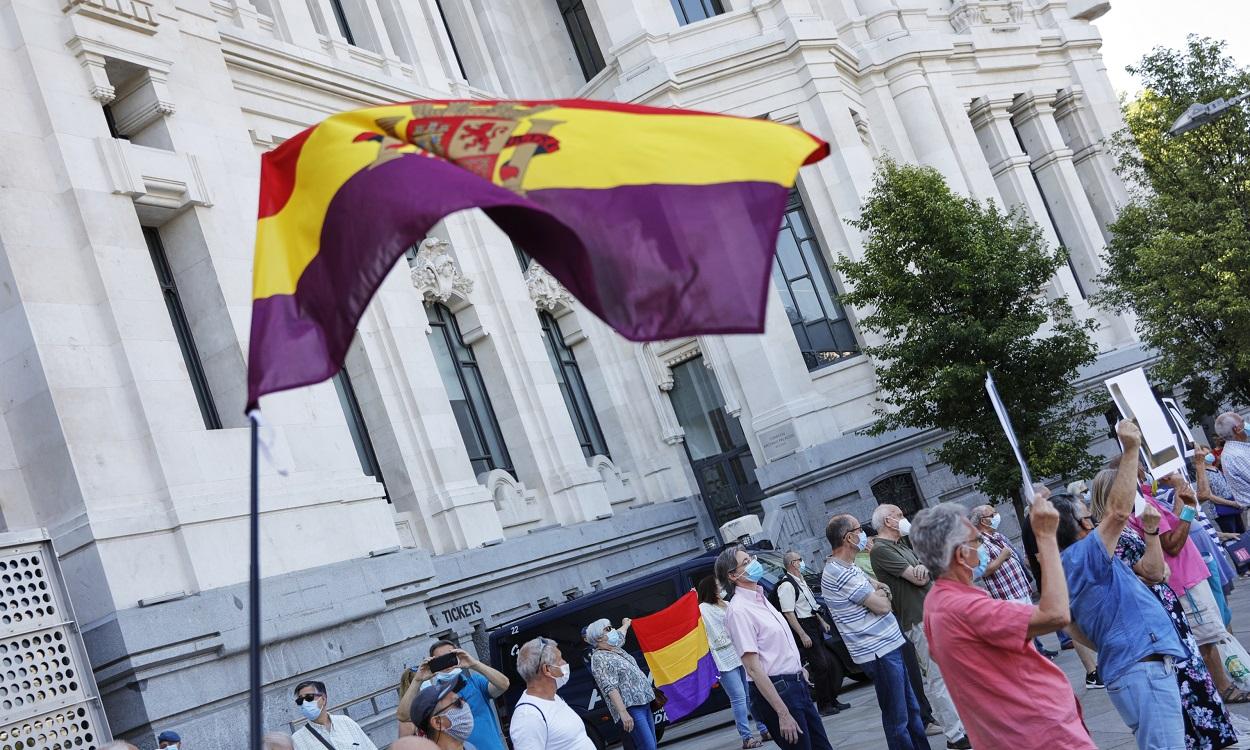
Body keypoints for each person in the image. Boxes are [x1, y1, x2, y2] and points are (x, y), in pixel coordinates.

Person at [913, 493, 1095, 749]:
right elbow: (1056, 614)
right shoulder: (965, 607)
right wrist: (1045, 538)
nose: (982, 548)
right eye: (976, 541)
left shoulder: (935, 603)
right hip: (1037, 735)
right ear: (961, 555)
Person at [1049, 420, 1188, 749]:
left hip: (1134, 665)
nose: (1092, 519)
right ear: (1080, 524)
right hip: (1140, 668)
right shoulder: (1082, 555)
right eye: (1085, 515)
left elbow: (1072, 627)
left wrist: (1113, 642)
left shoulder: (1066, 564)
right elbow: (1118, 513)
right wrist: (1130, 448)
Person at [1088, 462, 1239, 750]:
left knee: (1192, 668)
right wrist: (1168, 525)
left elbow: (1152, 566)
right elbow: (1159, 560)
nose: (1133, 492)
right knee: (1183, 676)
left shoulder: (1125, 524)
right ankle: (1199, 738)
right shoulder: (1115, 532)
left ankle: (1210, 736)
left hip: (1166, 604)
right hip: (1155, 610)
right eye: (1126, 489)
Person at [1123, 457, 1249, 704]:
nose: (1145, 471)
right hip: (1183, 581)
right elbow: (1172, 544)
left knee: (1212, 633)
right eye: (1139, 468)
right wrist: (1189, 508)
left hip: (1188, 578)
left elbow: (1173, 526)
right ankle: (1222, 689)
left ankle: (1221, 683)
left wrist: (1181, 494)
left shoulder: (1144, 501)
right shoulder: (1141, 509)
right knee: (1206, 638)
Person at [869, 504, 970, 750]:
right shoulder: (880, 550)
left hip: (933, 612)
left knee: (952, 673)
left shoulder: (902, 545)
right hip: (917, 618)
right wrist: (925, 564)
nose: (904, 519)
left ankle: (962, 725)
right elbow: (917, 576)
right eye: (899, 515)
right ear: (887, 522)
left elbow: (928, 570)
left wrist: (925, 564)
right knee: (937, 677)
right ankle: (955, 734)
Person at [822, 515, 927, 750]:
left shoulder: (849, 566)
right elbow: (882, 605)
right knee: (898, 718)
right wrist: (881, 596)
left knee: (911, 711)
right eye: (859, 530)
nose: (864, 535)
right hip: (878, 652)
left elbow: (881, 589)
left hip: (888, 645)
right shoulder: (840, 572)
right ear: (848, 537)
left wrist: (879, 593)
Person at [718, 545, 834, 750]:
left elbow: (776, 645)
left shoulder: (761, 598)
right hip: (779, 692)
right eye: (746, 563)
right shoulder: (738, 611)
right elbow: (753, 668)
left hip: (796, 684)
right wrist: (782, 713)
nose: (753, 563)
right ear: (733, 575)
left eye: (751, 558)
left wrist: (798, 668)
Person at [696, 575, 767, 748]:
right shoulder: (702, 609)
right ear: (710, 589)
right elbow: (691, 619)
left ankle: (764, 728)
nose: (722, 588)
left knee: (751, 695)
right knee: (739, 698)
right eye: (718, 585)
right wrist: (691, 600)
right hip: (723, 659)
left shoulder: (727, 604)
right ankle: (746, 737)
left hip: (740, 653)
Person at [398, 640, 509, 750]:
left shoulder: (476, 683)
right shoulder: (433, 696)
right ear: (433, 663)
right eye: (441, 660)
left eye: (450, 657)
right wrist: (418, 679)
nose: (447, 665)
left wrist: (474, 664)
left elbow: (504, 684)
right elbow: (403, 716)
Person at [774, 552, 845, 717]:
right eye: (800, 559)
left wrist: (821, 621)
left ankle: (832, 700)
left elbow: (810, 604)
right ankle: (824, 705)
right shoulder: (787, 585)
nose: (802, 562)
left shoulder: (800, 580)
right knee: (820, 666)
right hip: (804, 626)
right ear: (793, 563)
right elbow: (789, 613)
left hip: (813, 622)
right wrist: (802, 634)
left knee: (826, 663)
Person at [509, 636, 594, 750]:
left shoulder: (553, 697)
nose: (565, 662)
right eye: (560, 660)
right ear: (547, 670)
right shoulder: (528, 717)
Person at [584, 617, 657, 750]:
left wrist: (626, 624)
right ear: (599, 638)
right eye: (608, 629)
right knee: (648, 747)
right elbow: (609, 687)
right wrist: (623, 713)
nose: (613, 631)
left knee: (650, 745)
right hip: (632, 708)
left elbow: (620, 634)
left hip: (644, 703)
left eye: (611, 627)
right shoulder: (599, 658)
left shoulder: (614, 648)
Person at [292, 679, 379, 750]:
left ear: (324, 699)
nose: (304, 703)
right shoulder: (297, 740)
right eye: (300, 700)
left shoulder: (346, 722)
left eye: (309, 697)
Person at [410, 674, 476, 749]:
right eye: (457, 702)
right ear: (437, 722)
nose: (465, 704)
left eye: (462, 699)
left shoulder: (469, 747)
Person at [1216, 412, 1250, 505]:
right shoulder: (1237, 455)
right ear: (1237, 429)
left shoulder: (1234, 451)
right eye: (1243, 422)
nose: (1246, 424)